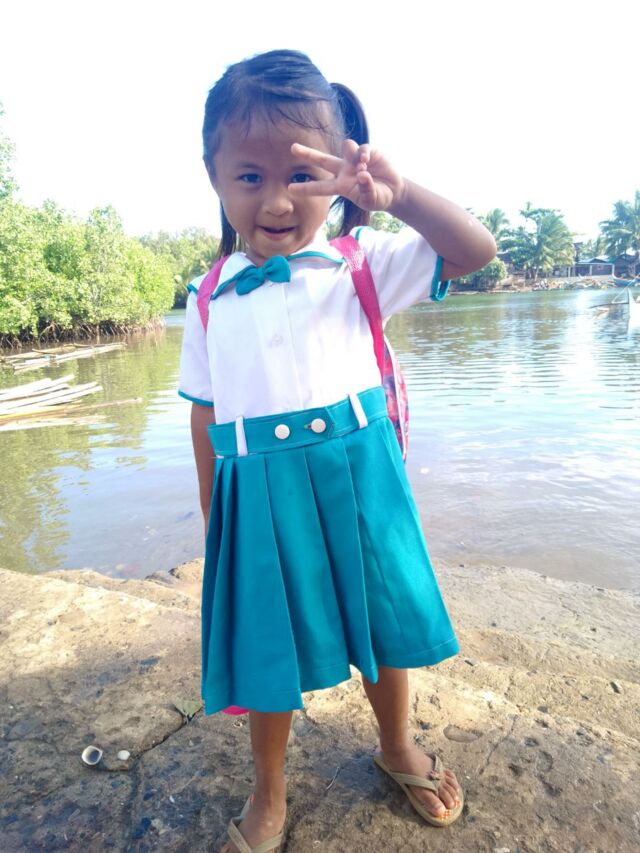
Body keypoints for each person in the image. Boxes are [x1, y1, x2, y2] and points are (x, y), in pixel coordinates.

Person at [178, 49, 496, 853]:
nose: (277, 200)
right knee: (267, 647)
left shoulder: (363, 264)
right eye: (249, 176)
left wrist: (398, 194)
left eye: (302, 174)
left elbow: (475, 251)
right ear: (213, 175)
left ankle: (395, 743)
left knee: (383, 621)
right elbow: (205, 416)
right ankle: (269, 788)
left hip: (359, 479)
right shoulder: (208, 298)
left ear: (340, 173)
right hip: (258, 495)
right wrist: (217, 523)